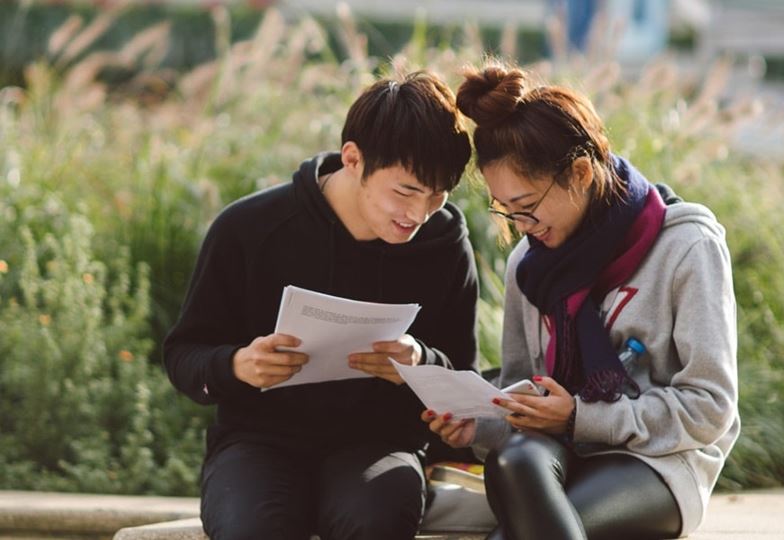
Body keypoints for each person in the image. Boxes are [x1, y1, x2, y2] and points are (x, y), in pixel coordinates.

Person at [424, 63, 739, 539]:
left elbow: (711, 408)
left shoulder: (686, 248)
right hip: (560, 451)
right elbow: (522, 397)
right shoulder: (527, 266)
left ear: (580, 172)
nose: (520, 227)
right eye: (506, 211)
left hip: (658, 463)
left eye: (527, 207)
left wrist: (580, 415)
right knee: (513, 461)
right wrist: (480, 429)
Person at [163, 71, 478, 540]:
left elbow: (460, 372)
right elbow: (183, 356)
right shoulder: (250, 228)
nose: (418, 214)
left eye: (438, 195)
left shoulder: (445, 243)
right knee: (255, 527)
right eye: (405, 191)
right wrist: (237, 365)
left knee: (376, 519)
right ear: (353, 159)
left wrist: (419, 362)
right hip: (258, 442)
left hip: (380, 445)